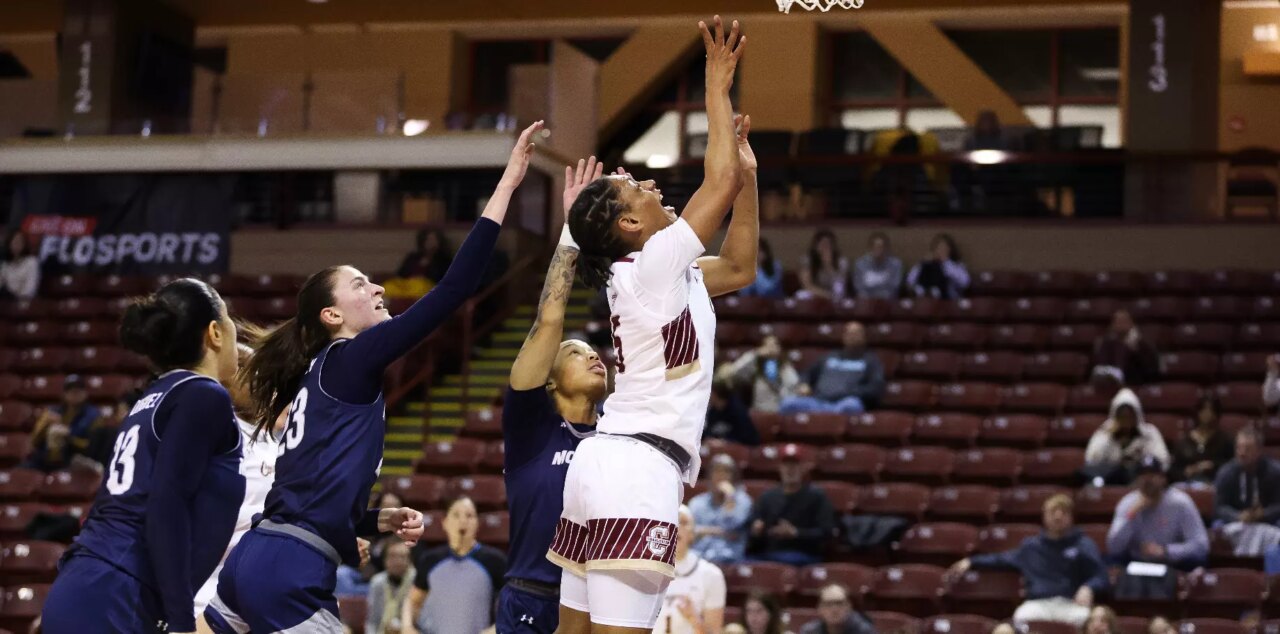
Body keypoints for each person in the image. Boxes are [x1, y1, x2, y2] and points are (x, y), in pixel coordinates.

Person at [205, 122, 541, 633]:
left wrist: (370, 521)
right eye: (361, 284)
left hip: (257, 557)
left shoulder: (321, 381)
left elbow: (308, 492)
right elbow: (453, 291)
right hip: (289, 569)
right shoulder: (349, 360)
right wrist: (507, 185)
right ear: (332, 317)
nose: (379, 286)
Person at [550, 17, 754, 633]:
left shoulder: (658, 275)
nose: (651, 184)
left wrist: (749, 178)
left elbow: (741, 265)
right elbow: (713, 184)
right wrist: (716, 88)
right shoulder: (652, 269)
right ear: (630, 227)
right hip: (638, 471)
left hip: (602, 465)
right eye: (634, 187)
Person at [42, 278, 244, 634]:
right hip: (119, 593)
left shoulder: (150, 399)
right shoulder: (203, 394)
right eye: (230, 321)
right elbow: (167, 502)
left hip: (89, 583)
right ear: (214, 332)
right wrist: (181, 621)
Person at [493, 156, 609, 634]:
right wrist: (572, 234)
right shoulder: (530, 426)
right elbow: (549, 321)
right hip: (533, 595)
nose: (593, 355)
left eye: (595, 350)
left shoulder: (617, 433)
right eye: (576, 352)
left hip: (599, 601)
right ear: (550, 378)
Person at [193, 336, 282, 615]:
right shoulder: (212, 427)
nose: (257, 378)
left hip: (258, 584)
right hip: (205, 585)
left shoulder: (272, 439)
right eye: (244, 368)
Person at [947, 494, 1107, 627]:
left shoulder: (1083, 544)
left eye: (1063, 512)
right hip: (1037, 604)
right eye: (1053, 512)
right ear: (1044, 516)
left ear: (1071, 517)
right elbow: (1001, 559)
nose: (1058, 516)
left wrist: (1089, 587)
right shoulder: (1031, 547)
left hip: (1071, 605)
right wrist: (972, 561)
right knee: (1020, 617)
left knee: (1091, 622)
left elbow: (1101, 575)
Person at [403, 497, 507, 634]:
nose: (463, 521)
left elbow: (512, 605)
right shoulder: (430, 560)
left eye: (469, 516)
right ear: (445, 522)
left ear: (477, 523)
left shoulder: (495, 560)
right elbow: (413, 601)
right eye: (456, 515)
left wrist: (496, 629)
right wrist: (407, 626)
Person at [1107, 456, 1208, 578]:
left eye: (1152, 475)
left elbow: (1201, 546)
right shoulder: (1128, 504)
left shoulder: (1180, 503)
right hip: (1136, 564)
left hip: (1172, 564)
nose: (1147, 480)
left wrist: (1166, 551)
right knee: (1110, 564)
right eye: (1143, 475)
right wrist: (1131, 515)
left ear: (1163, 479)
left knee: (1198, 564)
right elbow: (1114, 548)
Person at [747, 443, 834, 566]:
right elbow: (754, 535)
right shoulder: (767, 497)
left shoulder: (816, 496)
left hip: (803, 555)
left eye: (794, 465)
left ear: (803, 468)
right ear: (779, 468)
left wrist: (796, 533)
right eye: (786, 465)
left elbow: (827, 532)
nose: (790, 469)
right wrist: (756, 530)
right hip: (769, 555)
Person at [779, 322, 884, 415]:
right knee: (788, 403)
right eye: (849, 333)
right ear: (843, 336)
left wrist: (849, 392)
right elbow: (807, 373)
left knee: (852, 406)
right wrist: (804, 384)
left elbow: (875, 388)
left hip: (842, 404)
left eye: (856, 333)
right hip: (818, 402)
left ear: (864, 337)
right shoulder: (830, 356)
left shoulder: (871, 361)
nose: (852, 336)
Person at [652, 506, 727, 634]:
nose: (677, 527)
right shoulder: (646, 571)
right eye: (672, 521)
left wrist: (694, 619)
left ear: (692, 534)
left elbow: (714, 631)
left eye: (684, 522)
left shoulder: (711, 575)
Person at [1214, 427, 1280, 556]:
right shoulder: (1226, 473)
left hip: (1269, 522)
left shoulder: (1275, 472)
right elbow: (1219, 507)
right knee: (1217, 529)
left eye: (1247, 449)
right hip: (1236, 522)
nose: (1242, 453)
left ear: (1259, 450)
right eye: (1239, 448)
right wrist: (1237, 516)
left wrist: (1264, 513)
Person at [1083, 388, 1170, 485]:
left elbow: (1163, 461)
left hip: (1139, 479)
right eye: (1122, 416)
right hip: (1110, 480)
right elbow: (1091, 460)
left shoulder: (1149, 432)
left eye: (1129, 415)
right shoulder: (1104, 432)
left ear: (1137, 414)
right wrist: (1108, 437)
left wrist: (1140, 458)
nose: (1126, 419)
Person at [688, 454, 753, 564]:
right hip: (699, 561)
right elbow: (690, 532)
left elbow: (732, 526)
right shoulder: (697, 503)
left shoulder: (743, 501)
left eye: (726, 471)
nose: (721, 476)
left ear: (734, 477)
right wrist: (721, 532)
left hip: (730, 562)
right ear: (709, 476)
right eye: (717, 471)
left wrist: (730, 498)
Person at [716, 334, 802, 414]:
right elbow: (735, 371)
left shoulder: (785, 367)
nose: (771, 349)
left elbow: (795, 386)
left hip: (782, 412)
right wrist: (755, 354)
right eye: (767, 346)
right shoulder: (754, 365)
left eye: (774, 345)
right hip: (760, 411)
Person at [1169, 394, 1234, 485]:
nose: (1207, 414)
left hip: (1215, 484)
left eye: (1211, 410)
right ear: (1198, 411)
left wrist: (1212, 465)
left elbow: (1232, 465)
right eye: (1204, 409)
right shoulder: (1184, 442)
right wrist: (1187, 471)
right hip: (1187, 485)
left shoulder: (1225, 440)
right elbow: (1173, 470)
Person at [1091, 309, 1161, 387]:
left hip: (1137, 386)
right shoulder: (1106, 344)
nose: (1120, 324)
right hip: (1111, 387)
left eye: (1124, 321)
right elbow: (1100, 367)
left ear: (1131, 323)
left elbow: (1152, 370)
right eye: (1117, 321)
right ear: (1112, 325)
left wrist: (1135, 350)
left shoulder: (1142, 344)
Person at [366, 541, 416, 634]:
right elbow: (372, 621)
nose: (397, 561)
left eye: (402, 557)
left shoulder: (417, 582)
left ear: (410, 560)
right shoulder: (377, 583)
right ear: (384, 560)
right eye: (392, 557)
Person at [905, 233, 968, 299]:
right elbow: (910, 281)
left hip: (950, 301)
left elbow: (965, 282)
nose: (941, 251)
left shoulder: (956, 264)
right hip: (927, 301)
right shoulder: (926, 263)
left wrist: (945, 263)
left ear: (950, 250)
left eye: (944, 248)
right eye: (938, 248)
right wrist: (922, 263)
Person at [797, 584, 874, 634]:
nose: (834, 609)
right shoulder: (810, 631)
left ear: (849, 607)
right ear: (820, 609)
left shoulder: (864, 631)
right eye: (828, 604)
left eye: (839, 603)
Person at [796, 229, 849, 301]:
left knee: (839, 296)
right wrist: (827, 295)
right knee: (801, 294)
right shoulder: (807, 260)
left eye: (828, 244)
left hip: (834, 294)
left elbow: (839, 286)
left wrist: (828, 265)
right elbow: (807, 285)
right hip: (816, 293)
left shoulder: (841, 261)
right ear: (815, 246)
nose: (825, 247)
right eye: (822, 244)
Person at [705, 381, 760, 446]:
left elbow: (747, 438)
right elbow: (709, 431)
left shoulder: (737, 410)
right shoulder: (713, 411)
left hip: (740, 448)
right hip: (718, 447)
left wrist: (725, 442)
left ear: (716, 394)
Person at [851, 232, 902, 300]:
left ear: (887, 248)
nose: (878, 250)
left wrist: (879, 298)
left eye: (881, 247)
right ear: (870, 248)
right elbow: (859, 287)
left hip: (888, 301)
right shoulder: (860, 264)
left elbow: (894, 288)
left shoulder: (895, 264)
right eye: (875, 247)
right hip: (866, 301)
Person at [0, 230, 39, 300]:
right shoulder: (5, 264)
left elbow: (30, 290)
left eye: (20, 241)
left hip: (24, 302)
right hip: (7, 301)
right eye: (14, 241)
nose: (17, 244)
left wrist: (16, 297)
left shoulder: (32, 262)